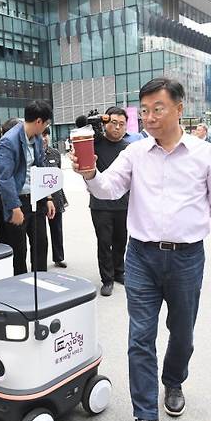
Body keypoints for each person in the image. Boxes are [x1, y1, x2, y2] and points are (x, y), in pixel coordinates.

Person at [71, 78, 211, 421]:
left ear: (179, 109)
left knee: (182, 333)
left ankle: (173, 381)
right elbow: (108, 189)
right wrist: (89, 173)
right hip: (141, 257)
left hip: (187, 259)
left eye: (157, 109)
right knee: (140, 337)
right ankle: (144, 414)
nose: (148, 117)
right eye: (143, 111)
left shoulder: (205, 154)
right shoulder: (135, 153)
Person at [0, 100, 55, 275]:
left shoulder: (36, 138)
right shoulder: (8, 141)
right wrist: (14, 207)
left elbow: (40, 167)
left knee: (40, 245)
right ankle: (22, 289)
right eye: (46, 124)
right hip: (17, 202)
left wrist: (48, 197)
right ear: (38, 121)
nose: (45, 129)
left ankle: (41, 282)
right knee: (19, 250)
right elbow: (4, 178)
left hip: (36, 199)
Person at [89, 106, 131, 296]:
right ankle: (107, 279)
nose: (117, 127)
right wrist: (96, 121)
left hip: (124, 204)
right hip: (100, 205)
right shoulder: (95, 143)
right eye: (114, 123)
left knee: (121, 240)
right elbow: (82, 126)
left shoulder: (129, 148)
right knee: (104, 242)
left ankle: (118, 272)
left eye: (122, 124)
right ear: (106, 124)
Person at [0, 118, 22, 245]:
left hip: (0, 197)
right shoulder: (4, 147)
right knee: (7, 235)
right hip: (0, 199)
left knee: (8, 235)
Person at [42, 127, 68, 268]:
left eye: (46, 134)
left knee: (57, 229)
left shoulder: (55, 153)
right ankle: (40, 260)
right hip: (40, 198)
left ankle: (59, 257)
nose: (44, 137)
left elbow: (58, 175)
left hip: (56, 197)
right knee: (40, 232)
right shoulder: (33, 153)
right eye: (41, 134)